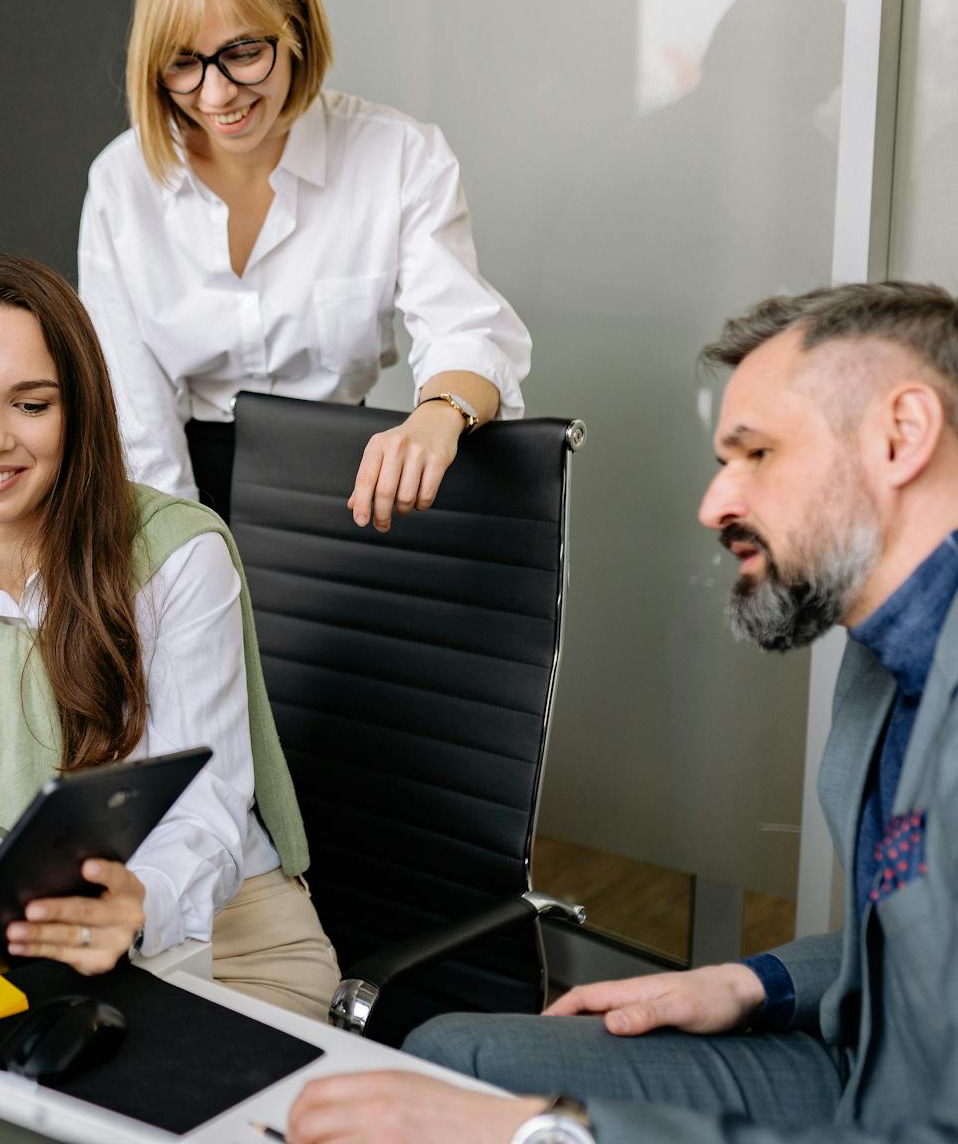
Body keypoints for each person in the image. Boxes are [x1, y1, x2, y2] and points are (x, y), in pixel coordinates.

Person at [280, 281, 958, 1144]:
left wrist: (548, 1136)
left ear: (902, 436)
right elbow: (914, 936)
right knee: (453, 1052)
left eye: (757, 455)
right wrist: (755, 983)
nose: (715, 504)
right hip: (860, 1062)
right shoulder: (881, 650)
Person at [0, 253, 338, 1025]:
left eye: (30, 405)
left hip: (232, 942)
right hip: (39, 947)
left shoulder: (178, 557)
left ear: (78, 414)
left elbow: (207, 812)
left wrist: (136, 905)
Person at [78, 0, 531, 528]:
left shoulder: (398, 156)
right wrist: (181, 550)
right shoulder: (121, 184)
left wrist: (437, 416)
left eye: (242, 52)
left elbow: (467, 332)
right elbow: (136, 417)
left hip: (354, 492)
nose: (216, 96)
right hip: (176, 487)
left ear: (295, 31)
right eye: (184, 62)